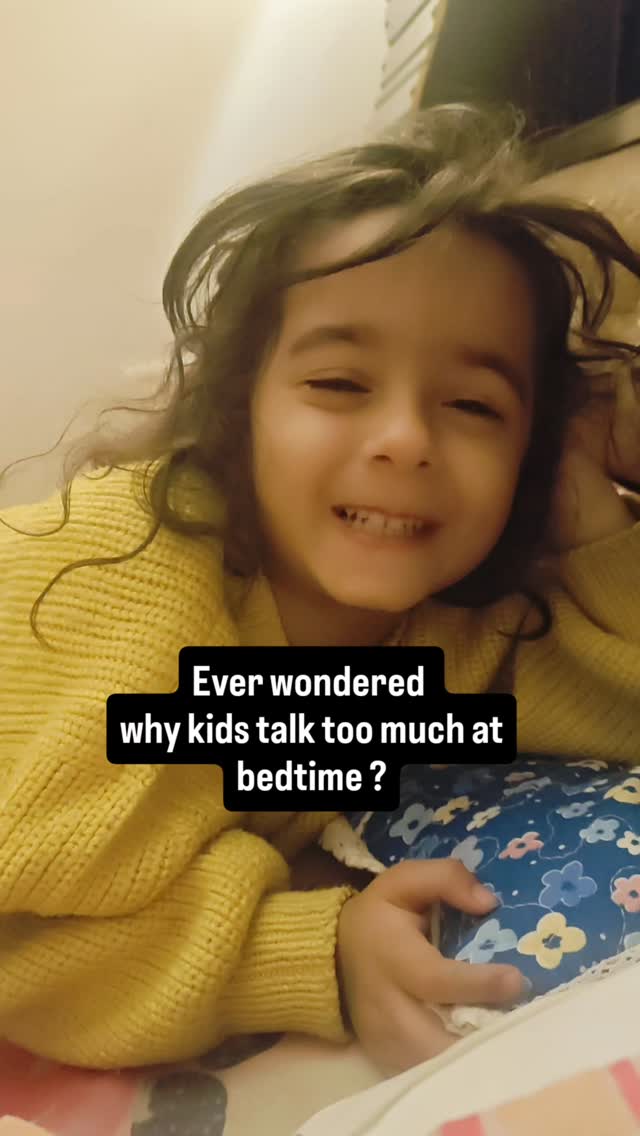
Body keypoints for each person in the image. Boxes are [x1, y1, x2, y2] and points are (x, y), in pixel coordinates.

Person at [0, 105, 639, 1075]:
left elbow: (621, 704)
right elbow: (19, 935)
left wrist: (590, 515)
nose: (405, 438)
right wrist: (311, 946)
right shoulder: (124, 580)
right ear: (237, 408)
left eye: (474, 405)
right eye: (339, 383)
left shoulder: (448, 639)